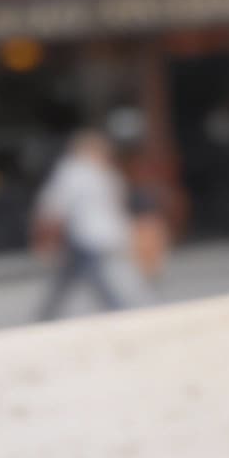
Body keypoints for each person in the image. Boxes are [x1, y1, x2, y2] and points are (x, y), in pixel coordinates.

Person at [31, 128, 146, 319]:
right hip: (88, 236)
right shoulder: (77, 172)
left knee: (79, 279)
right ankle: (119, 311)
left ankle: (46, 316)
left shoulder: (103, 173)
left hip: (95, 236)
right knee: (86, 278)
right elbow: (53, 208)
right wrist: (46, 237)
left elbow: (51, 207)